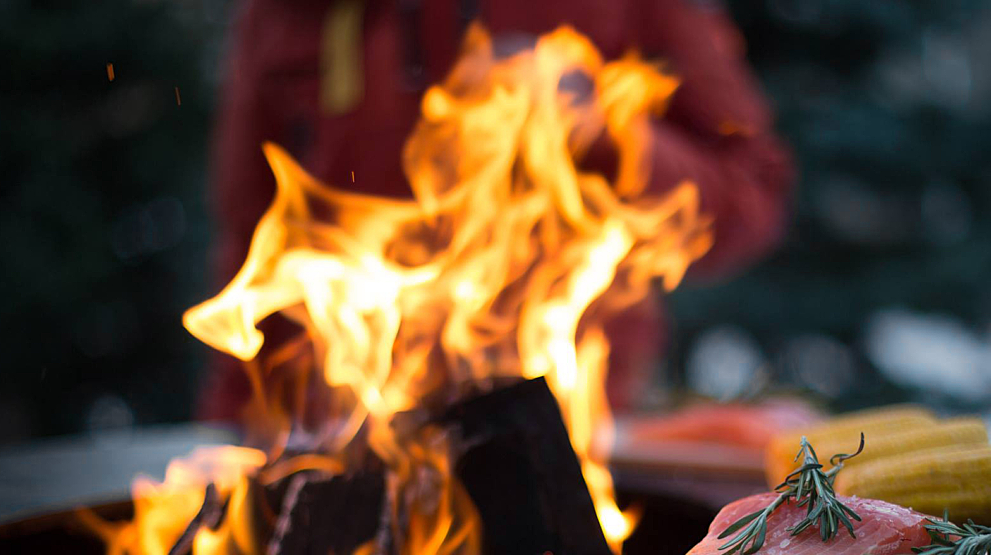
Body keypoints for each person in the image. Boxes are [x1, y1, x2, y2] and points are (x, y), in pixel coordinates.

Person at [202, 0, 793, 421]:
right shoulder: (284, 15)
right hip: (346, 442)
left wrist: (606, 134)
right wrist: (238, 424)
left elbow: (752, 191)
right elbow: (252, 244)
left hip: (575, 431)